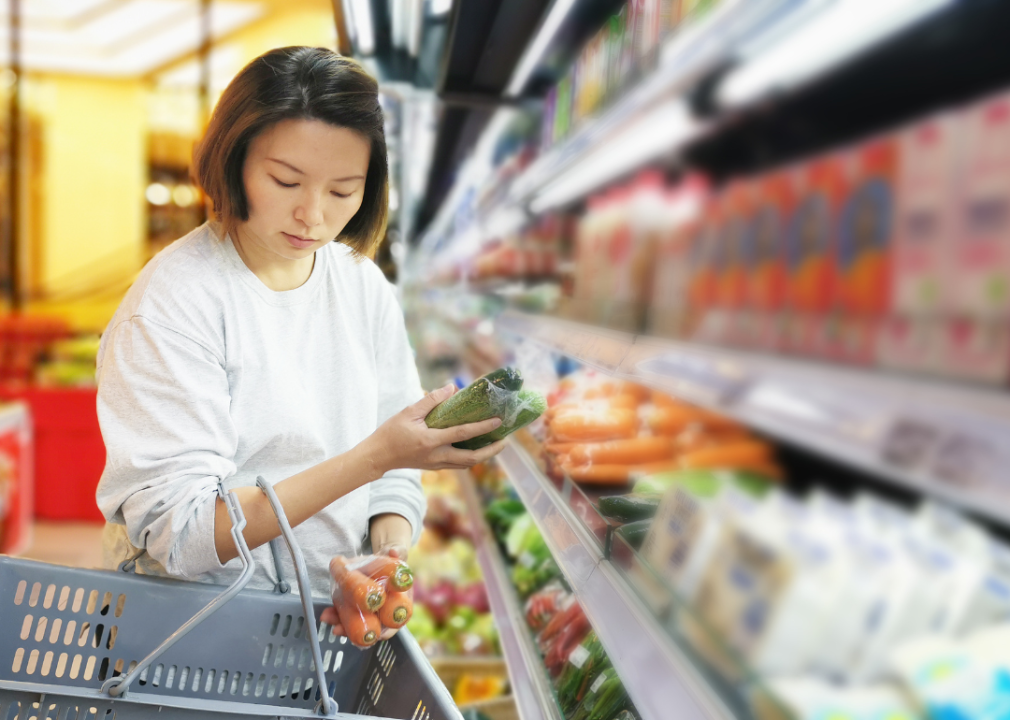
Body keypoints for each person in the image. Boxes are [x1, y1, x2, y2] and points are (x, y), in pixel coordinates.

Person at [94, 46, 505, 627]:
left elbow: (395, 473)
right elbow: (182, 535)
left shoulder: (362, 286)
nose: (313, 215)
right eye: (286, 180)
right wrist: (375, 456)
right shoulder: (174, 304)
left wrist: (384, 556)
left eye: (343, 191)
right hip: (183, 636)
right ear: (232, 157)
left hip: (312, 635)